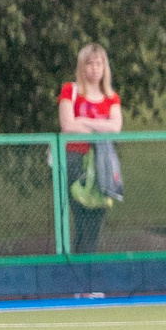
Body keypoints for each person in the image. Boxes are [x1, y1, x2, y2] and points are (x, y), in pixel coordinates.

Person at [58, 44, 123, 254]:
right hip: (76, 158)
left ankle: (89, 278)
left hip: (103, 161)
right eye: (89, 63)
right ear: (82, 66)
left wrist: (84, 122)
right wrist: (99, 127)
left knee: (96, 219)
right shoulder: (71, 91)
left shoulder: (111, 97)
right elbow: (68, 126)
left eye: (99, 63)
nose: (94, 68)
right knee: (81, 217)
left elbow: (115, 127)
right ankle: (80, 280)